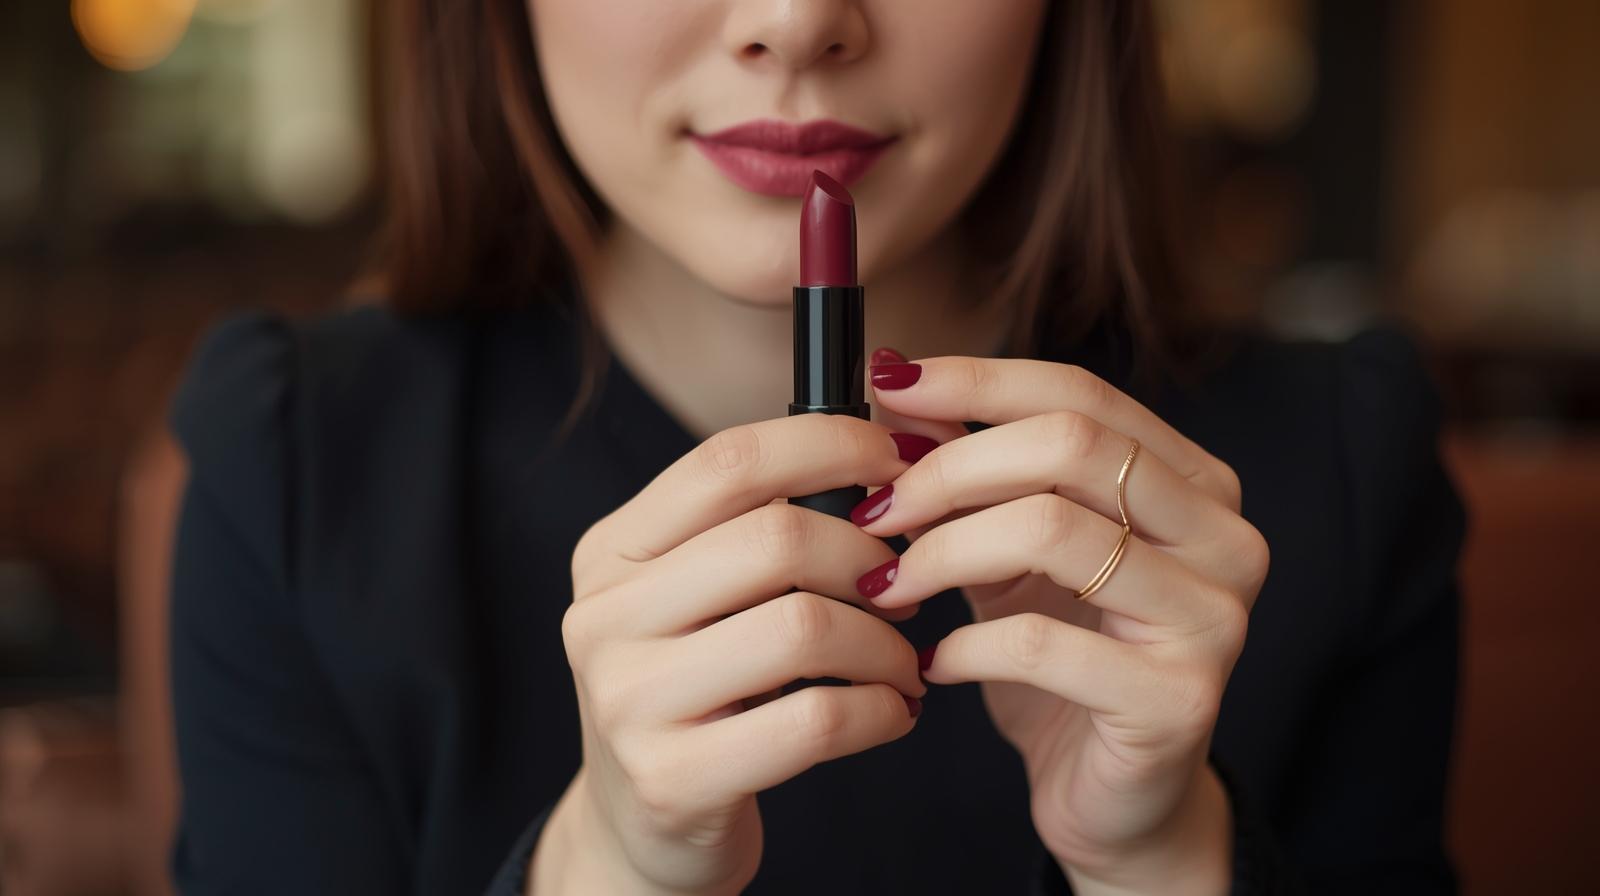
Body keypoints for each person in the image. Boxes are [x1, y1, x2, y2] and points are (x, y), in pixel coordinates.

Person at [165, 1, 1464, 894]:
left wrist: (1166, 860)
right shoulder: (298, 459)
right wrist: (604, 870)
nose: (796, 21)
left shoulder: (1338, 461)